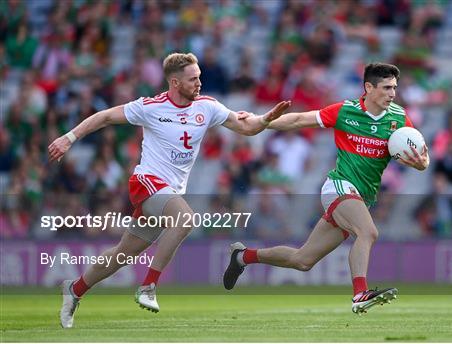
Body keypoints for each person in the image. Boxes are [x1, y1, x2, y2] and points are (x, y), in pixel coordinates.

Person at [48, 52, 291, 328]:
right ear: (174, 83)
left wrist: (267, 119)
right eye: (193, 79)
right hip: (147, 183)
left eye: (199, 77)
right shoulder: (150, 108)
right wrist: (69, 138)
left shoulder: (207, 107)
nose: (199, 82)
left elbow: (246, 127)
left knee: (122, 255)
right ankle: (148, 286)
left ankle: (74, 289)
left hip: (169, 192)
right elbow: (104, 117)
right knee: (185, 219)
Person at [223, 63, 429, 315]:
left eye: (394, 88)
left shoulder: (399, 118)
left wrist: (422, 163)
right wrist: (261, 120)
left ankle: (243, 257)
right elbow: (299, 119)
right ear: (369, 87)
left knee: (302, 260)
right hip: (339, 186)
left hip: (361, 197)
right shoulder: (346, 111)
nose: (392, 93)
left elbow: (421, 155)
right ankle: (360, 294)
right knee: (368, 232)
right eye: (387, 87)